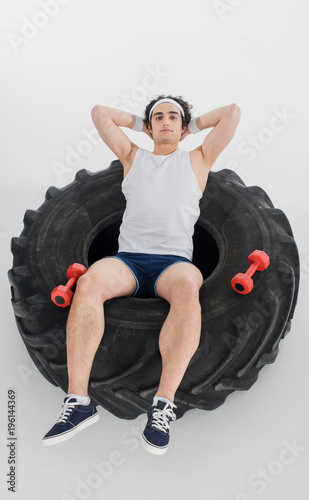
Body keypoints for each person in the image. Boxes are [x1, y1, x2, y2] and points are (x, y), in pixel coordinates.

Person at [42, 95, 241, 454]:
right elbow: (100, 114)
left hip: (172, 263)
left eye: (173, 118)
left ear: (183, 127)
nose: (166, 121)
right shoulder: (133, 157)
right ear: (148, 127)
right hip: (129, 261)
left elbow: (232, 113)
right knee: (88, 283)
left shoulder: (198, 159)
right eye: (158, 118)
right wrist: (143, 124)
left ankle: (162, 405)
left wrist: (186, 128)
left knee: (187, 288)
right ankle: (78, 401)